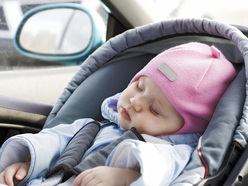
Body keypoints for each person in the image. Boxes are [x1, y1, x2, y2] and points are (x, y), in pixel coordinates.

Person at [0, 42, 236, 186]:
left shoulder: (173, 153)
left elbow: (163, 171)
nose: (134, 101)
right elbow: (56, 140)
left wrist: (127, 178)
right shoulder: (93, 126)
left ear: (183, 129)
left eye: (154, 109)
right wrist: (29, 163)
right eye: (139, 87)